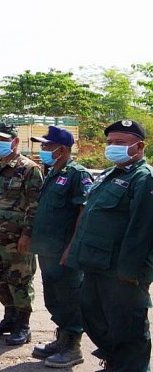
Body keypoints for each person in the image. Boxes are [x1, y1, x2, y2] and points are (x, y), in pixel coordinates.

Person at [66, 120, 153, 372]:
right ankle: (115, 364)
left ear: (139, 147)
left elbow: (142, 230)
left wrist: (129, 272)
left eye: (120, 143)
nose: (112, 147)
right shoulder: (110, 174)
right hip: (95, 265)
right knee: (96, 319)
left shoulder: (143, 178)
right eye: (110, 142)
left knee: (129, 329)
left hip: (122, 272)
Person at [27, 126, 93, 367]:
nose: (42, 150)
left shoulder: (77, 174)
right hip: (48, 250)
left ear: (62, 149)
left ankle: (73, 347)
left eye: (46, 146)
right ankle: (62, 338)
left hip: (64, 251)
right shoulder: (52, 171)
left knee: (69, 298)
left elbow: (83, 212)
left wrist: (72, 248)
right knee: (53, 298)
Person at [0, 123, 43, 345]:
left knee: (20, 281)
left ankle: (23, 325)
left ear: (15, 142)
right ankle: (10, 318)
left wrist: (27, 235)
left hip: (17, 239)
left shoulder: (29, 169)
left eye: (3, 140)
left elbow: (34, 206)